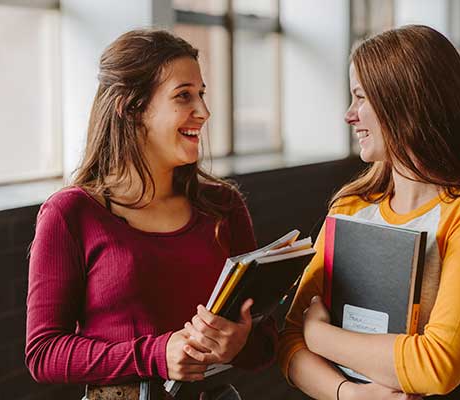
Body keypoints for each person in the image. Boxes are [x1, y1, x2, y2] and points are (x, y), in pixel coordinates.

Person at [278, 25, 460, 400]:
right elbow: (288, 342)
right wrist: (348, 394)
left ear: (404, 102)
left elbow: (438, 365)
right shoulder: (350, 204)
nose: (350, 115)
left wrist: (320, 336)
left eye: (361, 98)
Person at [25, 29, 276, 399]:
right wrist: (155, 354)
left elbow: (266, 343)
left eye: (202, 94)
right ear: (131, 107)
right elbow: (43, 353)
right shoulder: (71, 213)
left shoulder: (224, 206)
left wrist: (239, 344)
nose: (203, 112)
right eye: (183, 96)